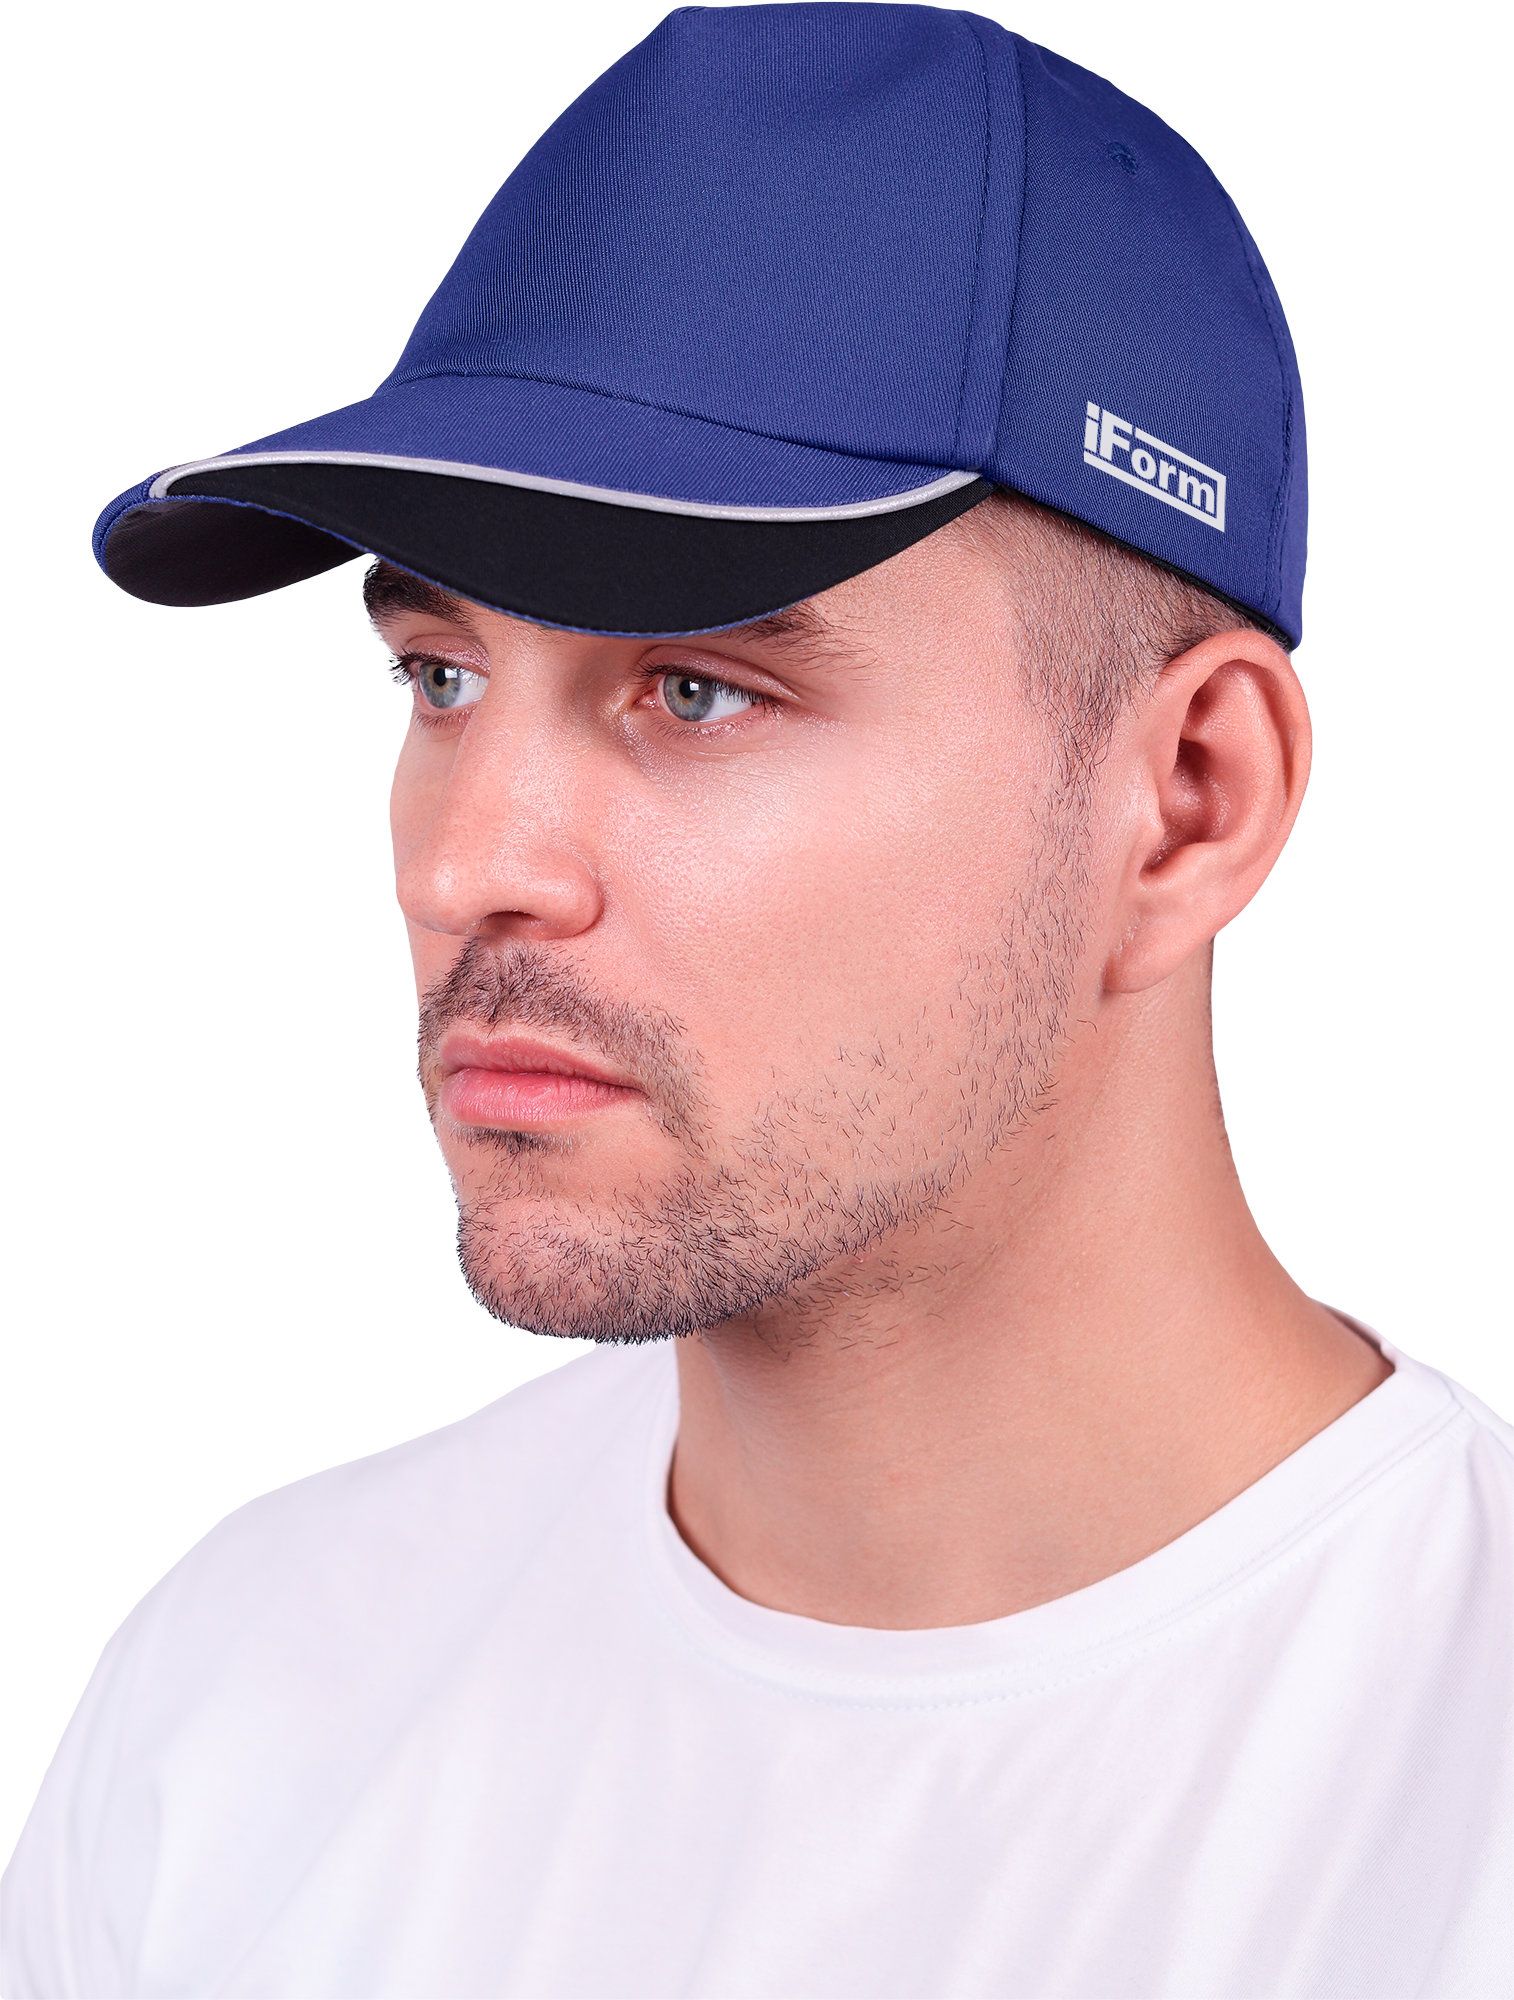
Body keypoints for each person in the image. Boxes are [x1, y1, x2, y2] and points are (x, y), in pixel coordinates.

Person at [4, 7, 1510, 1997]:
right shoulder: (239, 1714)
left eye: (696, 688)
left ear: (1185, 804)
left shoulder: (1457, 1802)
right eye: (442, 676)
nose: (470, 869)